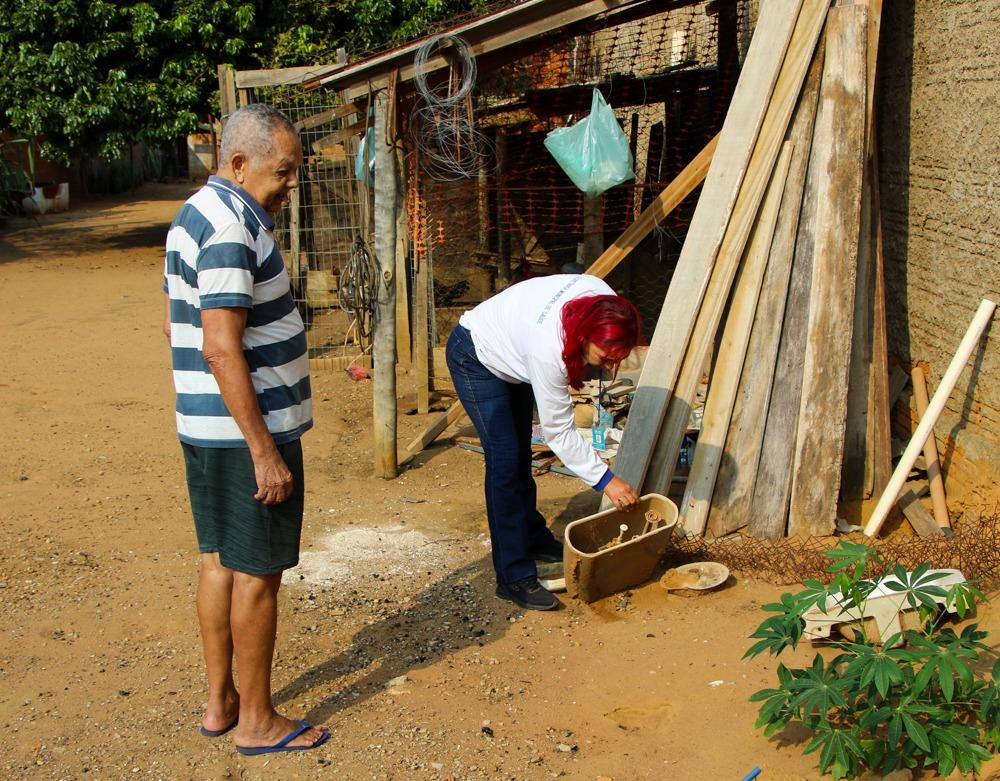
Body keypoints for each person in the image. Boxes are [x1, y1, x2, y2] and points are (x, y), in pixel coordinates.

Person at [162, 104, 328, 755]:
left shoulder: (195, 214)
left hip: (206, 427)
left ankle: (221, 701)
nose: (291, 184)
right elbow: (222, 346)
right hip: (244, 434)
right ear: (238, 162)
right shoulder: (232, 228)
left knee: (218, 563)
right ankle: (257, 720)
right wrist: (265, 450)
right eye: (282, 171)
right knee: (256, 572)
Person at [446, 274, 642, 611]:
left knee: (519, 455)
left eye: (618, 358)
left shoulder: (607, 303)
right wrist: (607, 480)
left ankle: (533, 538)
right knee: (505, 461)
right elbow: (559, 432)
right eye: (605, 356)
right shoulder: (547, 349)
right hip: (475, 355)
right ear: (584, 336)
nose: (611, 366)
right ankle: (513, 576)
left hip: (514, 349)